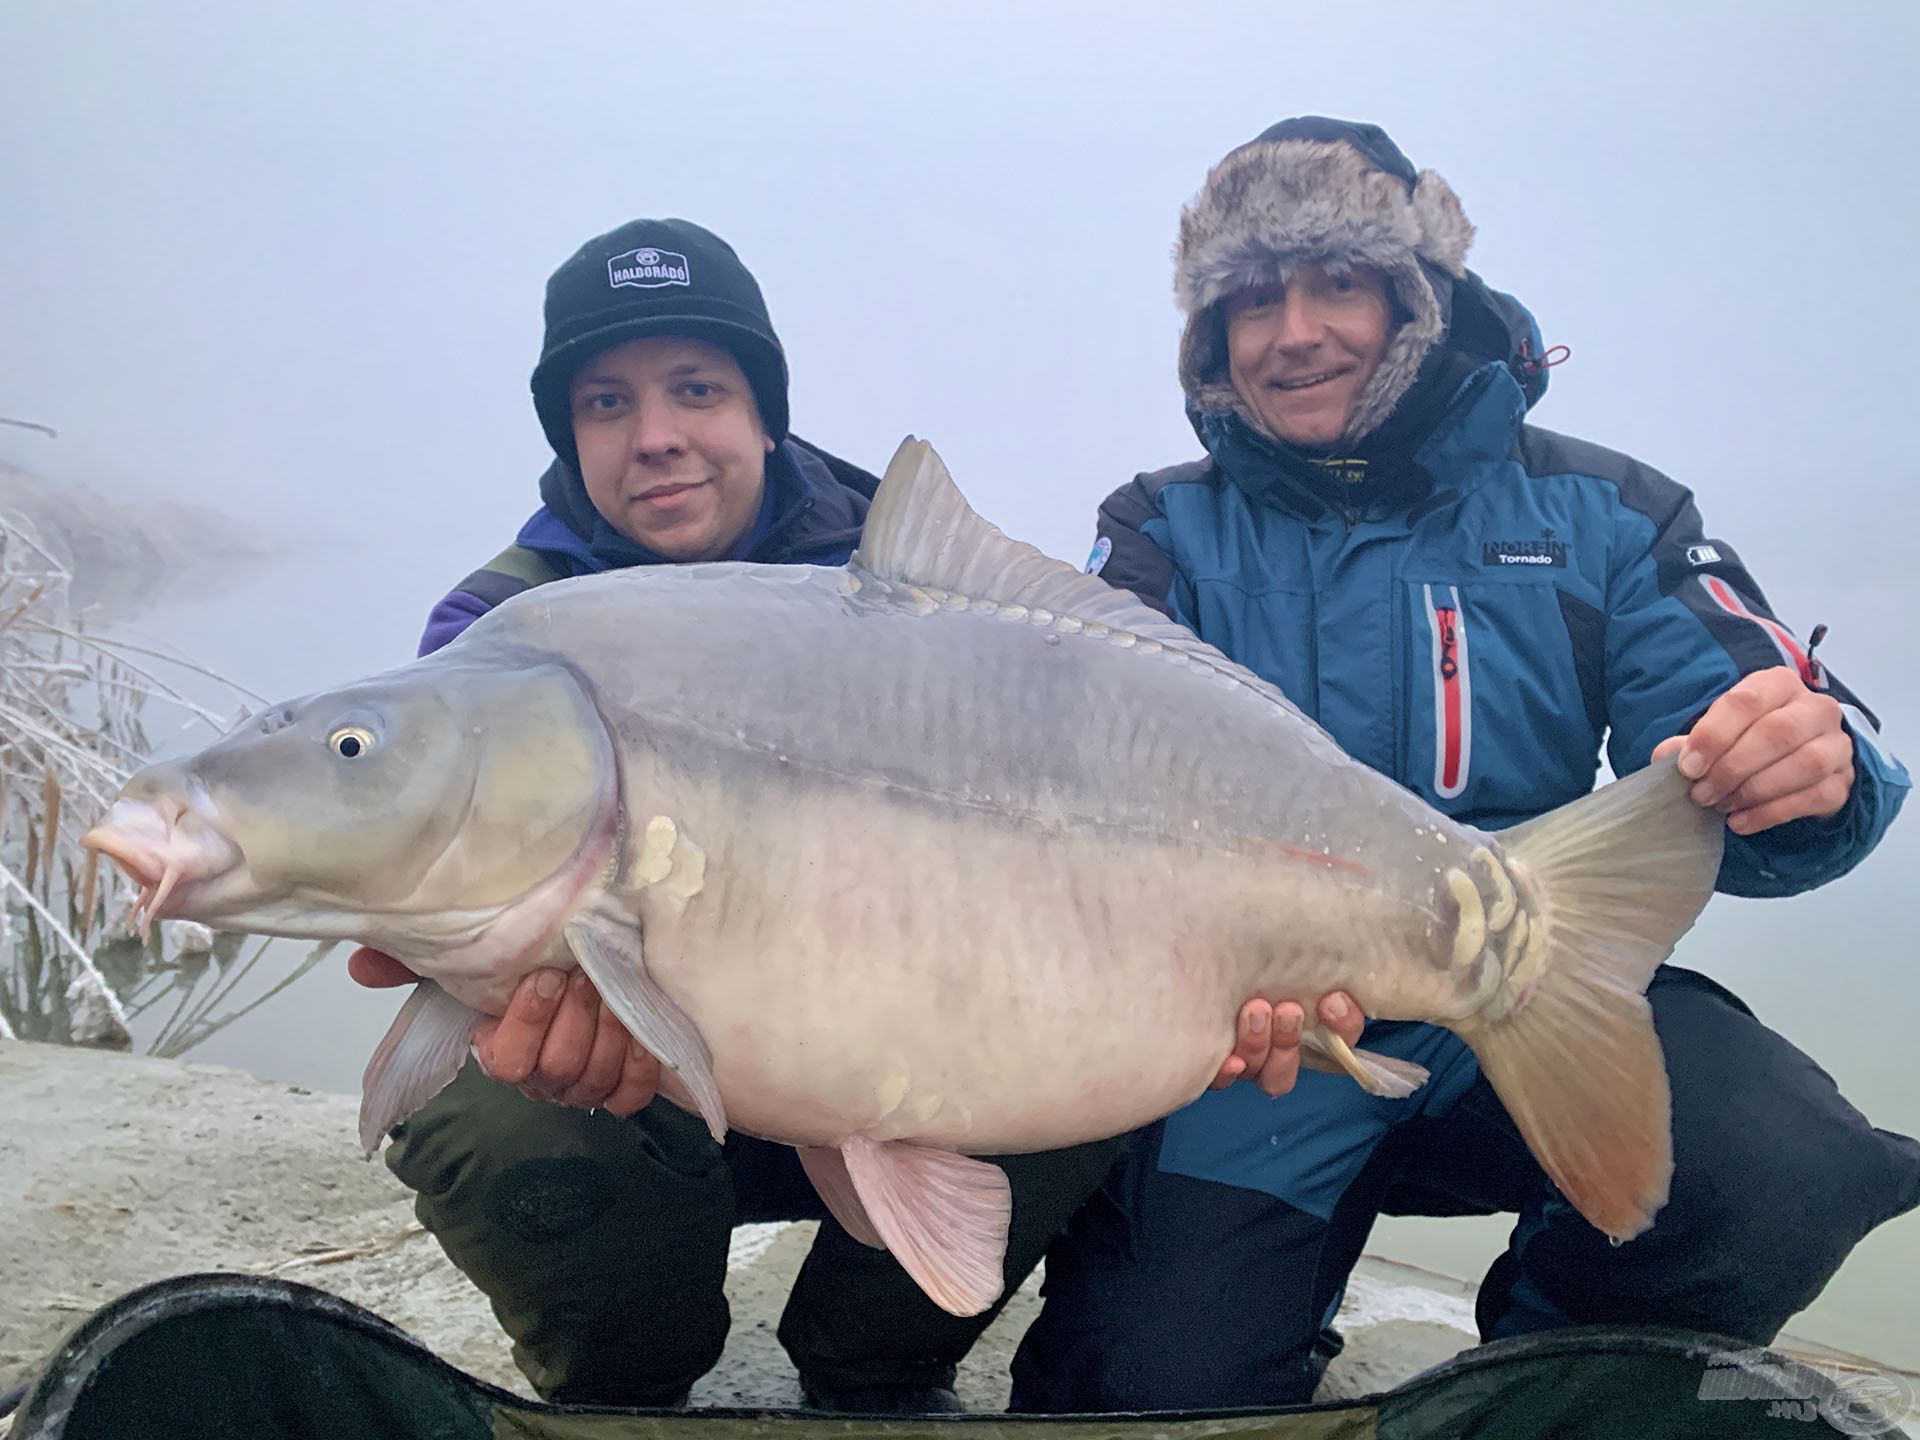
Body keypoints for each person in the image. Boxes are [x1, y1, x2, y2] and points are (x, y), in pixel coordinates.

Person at [348, 215, 1361, 1413]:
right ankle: (623, 1379)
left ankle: (877, 1360)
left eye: (696, 390)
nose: (658, 436)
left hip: (900, 1035)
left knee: (1110, 1030)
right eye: (606, 405)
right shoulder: (499, 635)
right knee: (496, 1116)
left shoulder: (911, 597)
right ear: (570, 440)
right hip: (647, 1081)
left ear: (762, 410)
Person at [1005, 117, 1920, 1412]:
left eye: (1336, 281)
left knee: (1777, 1164)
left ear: (1420, 295)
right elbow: (1068, 798)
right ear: (1209, 336)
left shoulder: (1610, 510)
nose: (1293, 331)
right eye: (1249, 299)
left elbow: (1747, 717)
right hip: (1277, 1042)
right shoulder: (1158, 532)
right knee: (1144, 1389)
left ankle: (1528, 1376)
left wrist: (1809, 767)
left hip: (1526, 994)